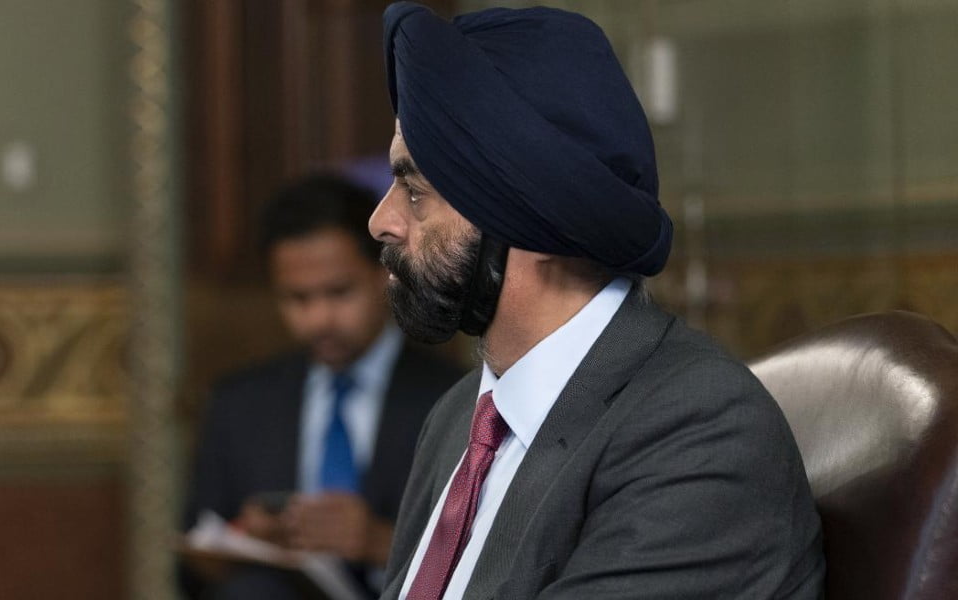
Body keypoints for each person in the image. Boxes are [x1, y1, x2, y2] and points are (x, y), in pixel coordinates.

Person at [369, 3, 825, 599]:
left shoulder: (699, 432)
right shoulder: (458, 418)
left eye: (414, 191)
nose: (381, 220)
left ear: (529, 218)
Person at [185, 174, 464, 599]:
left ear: (384, 273)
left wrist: (380, 543)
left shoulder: (455, 397)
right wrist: (242, 539)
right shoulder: (238, 403)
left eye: (338, 292)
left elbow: (489, 562)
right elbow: (189, 567)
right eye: (298, 298)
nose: (319, 319)